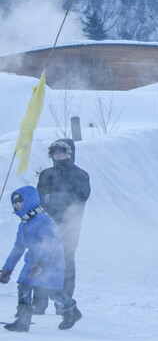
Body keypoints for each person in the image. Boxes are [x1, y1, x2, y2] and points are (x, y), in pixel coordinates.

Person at [1, 186, 78, 331]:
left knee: (51, 290)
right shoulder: (23, 225)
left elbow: (51, 242)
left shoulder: (43, 220)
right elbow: (18, 248)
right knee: (23, 284)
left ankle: (71, 310)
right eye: (15, 203)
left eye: (20, 201)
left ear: (29, 200)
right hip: (32, 260)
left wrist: (41, 263)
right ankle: (23, 322)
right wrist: (7, 269)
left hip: (50, 260)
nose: (17, 205)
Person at [32, 138, 90, 325]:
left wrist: (56, 199)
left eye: (62, 152)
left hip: (69, 225)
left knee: (66, 263)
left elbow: (81, 196)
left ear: (70, 154)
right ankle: (39, 303)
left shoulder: (80, 174)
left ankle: (63, 304)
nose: (59, 156)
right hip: (47, 224)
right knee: (41, 260)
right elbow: (38, 197)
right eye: (56, 153)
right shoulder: (46, 174)